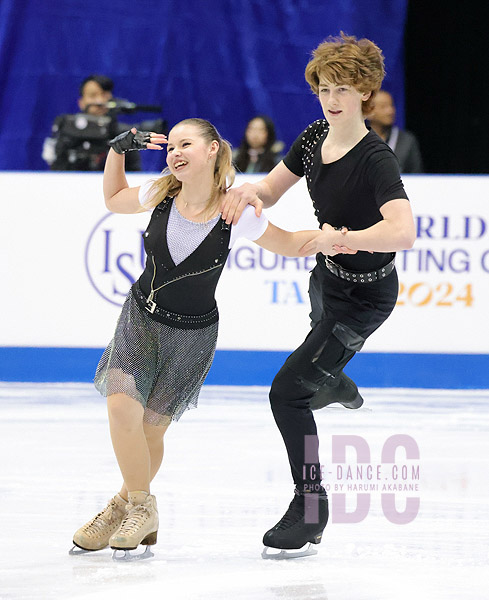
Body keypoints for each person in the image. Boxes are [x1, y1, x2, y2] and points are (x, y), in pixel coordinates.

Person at [70, 118, 323, 560]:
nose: (175, 153)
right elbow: (113, 198)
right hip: (140, 320)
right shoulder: (160, 192)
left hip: (191, 335)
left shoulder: (236, 212)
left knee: (150, 431)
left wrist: (337, 238)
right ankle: (142, 508)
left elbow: (288, 244)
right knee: (120, 408)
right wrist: (117, 150)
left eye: (186, 144)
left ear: (212, 151)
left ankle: (121, 505)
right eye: (172, 146)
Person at [221, 33, 416, 558]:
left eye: (344, 89)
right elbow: (270, 188)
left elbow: (402, 232)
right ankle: (335, 381)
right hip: (326, 283)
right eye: (325, 88)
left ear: (366, 93)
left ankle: (311, 506)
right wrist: (247, 192)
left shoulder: (377, 159)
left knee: (287, 393)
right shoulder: (312, 138)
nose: (332, 99)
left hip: (366, 297)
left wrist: (346, 239)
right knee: (315, 370)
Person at [42, 75, 141, 171]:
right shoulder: (66, 130)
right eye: (92, 95)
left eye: (104, 95)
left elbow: (133, 174)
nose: (99, 101)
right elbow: (57, 169)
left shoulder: (123, 134)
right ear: (81, 102)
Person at [367, 89, 423, 173]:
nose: (390, 111)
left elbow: (417, 176)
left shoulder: (406, 140)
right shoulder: (356, 140)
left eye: (391, 106)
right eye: (383, 107)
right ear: (368, 112)